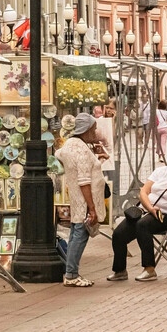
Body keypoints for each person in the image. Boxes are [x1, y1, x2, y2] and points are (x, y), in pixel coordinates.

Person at [108, 145, 167, 282]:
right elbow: (143, 192)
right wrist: (150, 208)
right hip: (147, 211)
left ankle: (149, 269)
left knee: (142, 226)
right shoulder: (161, 171)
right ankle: (120, 270)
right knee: (118, 234)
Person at [56, 113, 104, 287]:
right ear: (86, 129)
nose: (96, 131)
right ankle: (71, 274)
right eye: (94, 128)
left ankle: (71, 272)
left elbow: (58, 154)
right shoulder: (80, 150)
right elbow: (84, 181)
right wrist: (91, 208)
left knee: (77, 233)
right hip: (84, 200)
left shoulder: (70, 145)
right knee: (79, 235)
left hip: (77, 198)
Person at [155, 100, 167, 164]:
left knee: (158, 143)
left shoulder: (156, 111)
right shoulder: (166, 112)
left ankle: (159, 156)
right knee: (163, 143)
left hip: (157, 129)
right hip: (165, 128)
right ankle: (162, 156)